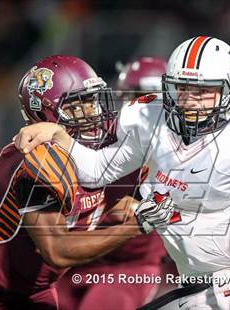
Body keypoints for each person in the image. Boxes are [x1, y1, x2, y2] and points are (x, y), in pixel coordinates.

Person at [14, 36, 230, 309]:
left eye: (203, 91)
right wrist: (60, 137)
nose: (189, 101)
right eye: (182, 89)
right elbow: (97, 171)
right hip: (195, 291)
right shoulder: (148, 119)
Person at [0, 55, 172, 309]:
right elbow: (57, 250)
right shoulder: (36, 160)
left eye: (92, 101)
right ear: (46, 114)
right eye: (76, 106)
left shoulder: (102, 148)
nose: (91, 113)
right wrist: (133, 226)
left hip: (37, 292)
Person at [56, 56, 169, 310]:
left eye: (142, 96)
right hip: (74, 262)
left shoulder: (170, 151)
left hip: (126, 267)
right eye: (128, 96)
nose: (133, 105)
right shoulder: (103, 136)